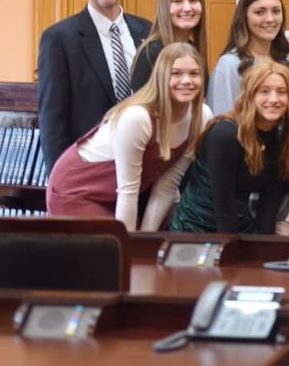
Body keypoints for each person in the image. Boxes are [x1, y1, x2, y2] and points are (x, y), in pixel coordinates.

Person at [46, 42, 212, 231]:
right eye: (176, 73)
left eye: (194, 74)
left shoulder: (202, 117)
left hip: (120, 197)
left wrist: (146, 239)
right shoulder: (137, 118)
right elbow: (128, 191)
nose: (187, 81)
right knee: (111, 246)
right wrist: (131, 245)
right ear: (161, 77)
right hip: (76, 191)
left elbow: (167, 187)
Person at [38, 0, 151, 170]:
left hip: (144, 163)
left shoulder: (148, 32)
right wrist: (60, 178)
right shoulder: (59, 39)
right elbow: (52, 120)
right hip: (89, 168)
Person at [170, 62, 289, 234]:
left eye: (281, 92)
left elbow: (268, 206)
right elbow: (224, 208)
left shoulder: (278, 138)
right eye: (264, 91)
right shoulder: (225, 134)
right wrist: (233, 249)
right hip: (194, 231)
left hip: (239, 226)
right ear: (249, 96)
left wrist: (262, 246)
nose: (274, 99)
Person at [208, 0, 289, 115]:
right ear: (244, 17)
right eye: (260, 12)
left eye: (276, 11)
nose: (270, 19)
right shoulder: (230, 65)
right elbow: (222, 119)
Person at [130, 0, 207, 91]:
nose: (187, 8)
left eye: (193, 0)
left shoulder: (193, 49)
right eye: (177, 1)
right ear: (164, 7)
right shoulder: (150, 54)